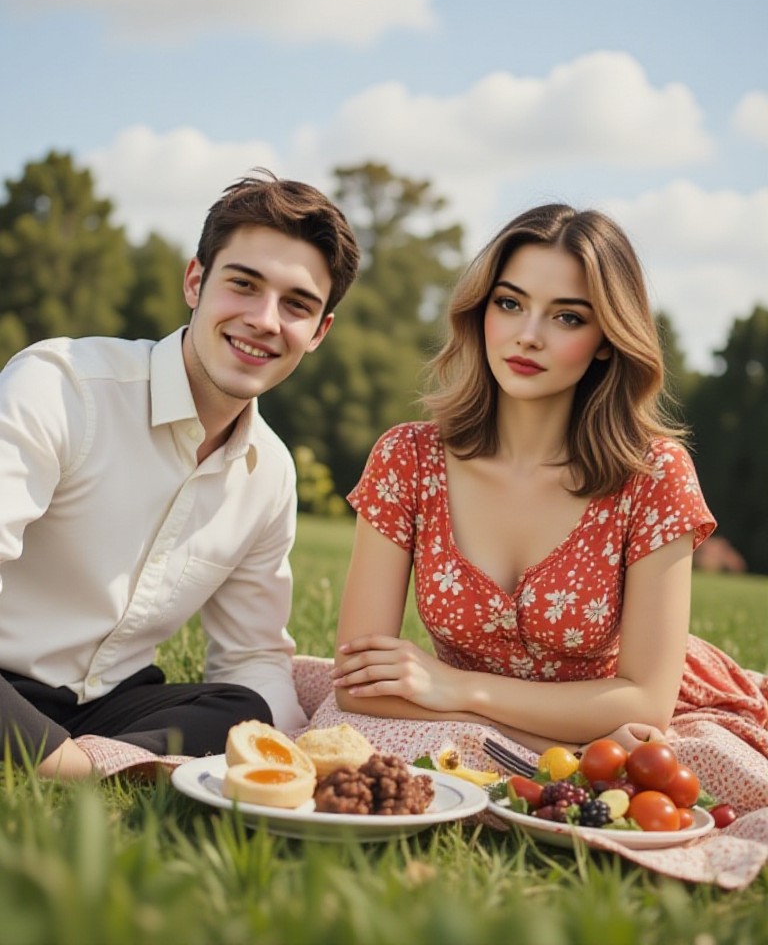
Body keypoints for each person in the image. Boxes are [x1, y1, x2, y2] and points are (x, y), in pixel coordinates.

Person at [303, 203, 768, 813]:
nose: (528, 334)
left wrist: (456, 688)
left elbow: (644, 706)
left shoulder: (652, 475)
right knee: (349, 738)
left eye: (567, 316)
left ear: (606, 340)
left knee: (709, 779)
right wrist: (557, 742)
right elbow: (360, 685)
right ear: (481, 311)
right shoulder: (408, 458)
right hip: (566, 728)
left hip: (648, 716)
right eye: (510, 303)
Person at [0, 169, 360, 780]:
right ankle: (77, 767)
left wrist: (304, 761)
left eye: (296, 304)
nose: (265, 320)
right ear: (196, 281)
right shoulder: (61, 387)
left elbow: (251, 657)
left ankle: (98, 760)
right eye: (244, 285)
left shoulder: (269, 471)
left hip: (111, 703)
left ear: (319, 331)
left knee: (243, 709)